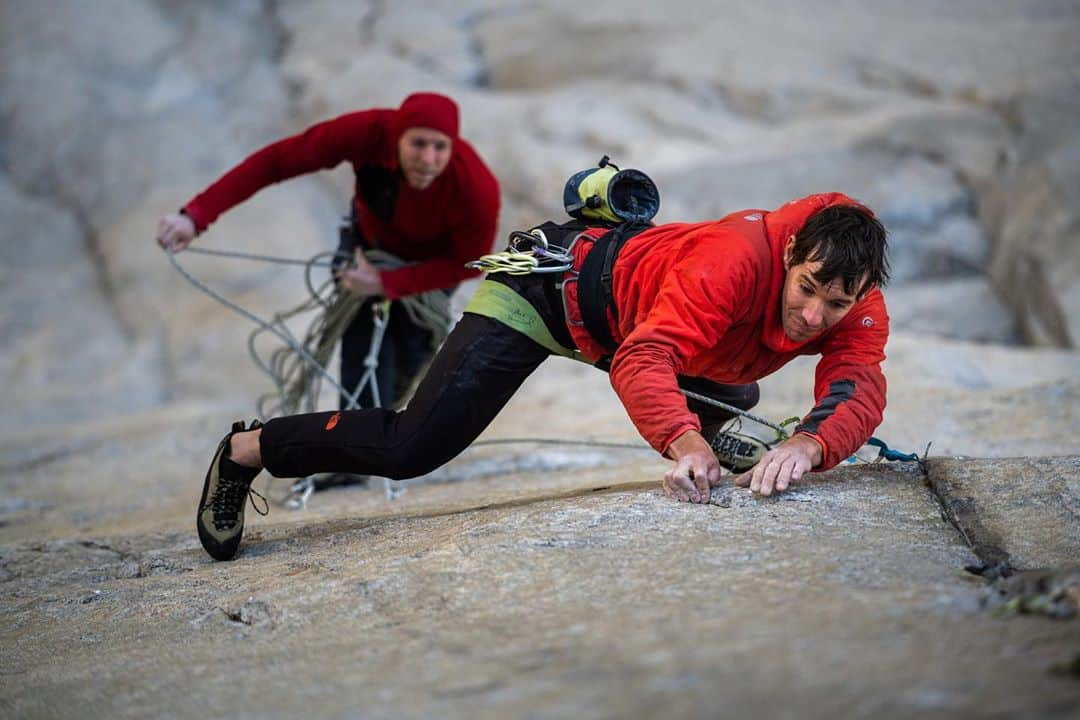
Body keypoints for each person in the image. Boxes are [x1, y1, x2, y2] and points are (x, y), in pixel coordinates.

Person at [195, 191, 890, 561]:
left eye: (836, 303)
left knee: (740, 388)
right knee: (411, 447)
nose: (811, 314)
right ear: (793, 250)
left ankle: (716, 427)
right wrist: (683, 442)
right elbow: (642, 360)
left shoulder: (854, 298)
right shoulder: (733, 263)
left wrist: (810, 446)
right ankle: (246, 451)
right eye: (806, 289)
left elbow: (858, 382)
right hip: (545, 294)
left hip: (626, 319)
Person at [156, 92, 501, 422]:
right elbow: (277, 162)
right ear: (397, 136)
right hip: (367, 245)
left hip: (427, 269)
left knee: (408, 357)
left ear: (452, 146)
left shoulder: (476, 188)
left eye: (439, 146)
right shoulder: (365, 133)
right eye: (417, 144)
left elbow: (468, 262)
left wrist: (387, 282)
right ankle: (354, 455)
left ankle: (387, 428)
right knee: (360, 336)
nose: (428, 159)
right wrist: (195, 216)